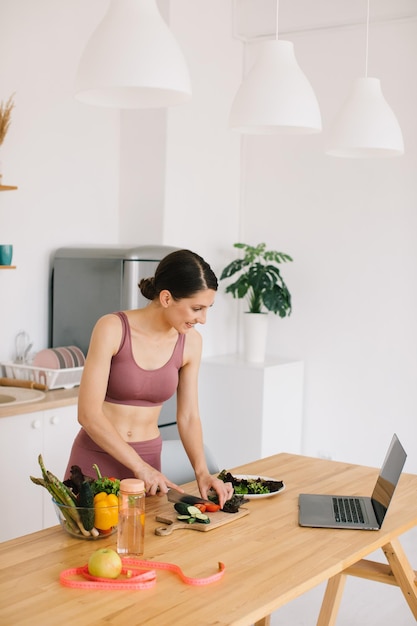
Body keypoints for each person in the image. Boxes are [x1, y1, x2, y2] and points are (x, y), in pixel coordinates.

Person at [64, 249, 233, 507]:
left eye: (207, 309)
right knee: (88, 547)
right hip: (96, 461)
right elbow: (88, 414)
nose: (203, 319)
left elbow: (188, 416)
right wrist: (138, 466)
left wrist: (202, 472)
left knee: (147, 546)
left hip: (149, 465)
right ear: (166, 298)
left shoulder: (191, 343)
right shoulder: (112, 328)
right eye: (197, 308)